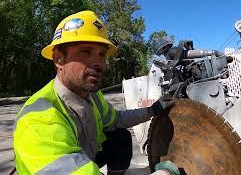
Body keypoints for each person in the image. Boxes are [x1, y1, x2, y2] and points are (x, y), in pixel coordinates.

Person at [13, 11, 178, 175]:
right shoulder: (38, 121)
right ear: (59, 60)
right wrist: (165, 174)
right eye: (86, 52)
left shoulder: (91, 94)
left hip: (85, 155)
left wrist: (151, 111)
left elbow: (116, 120)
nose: (99, 63)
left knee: (120, 137)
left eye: (101, 54)